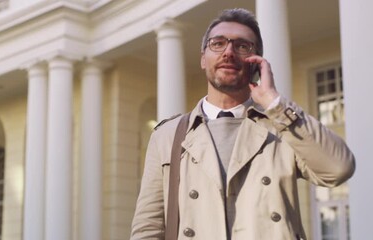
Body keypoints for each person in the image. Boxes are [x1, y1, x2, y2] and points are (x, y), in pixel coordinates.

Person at [130, 8, 355, 240]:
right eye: (218, 43)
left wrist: (274, 103)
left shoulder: (281, 127)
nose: (229, 52)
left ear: (257, 64)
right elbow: (148, 228)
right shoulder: (168, 135)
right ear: (203, 58)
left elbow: (338, 169)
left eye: (242, 46)